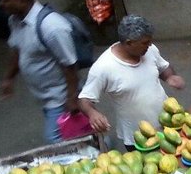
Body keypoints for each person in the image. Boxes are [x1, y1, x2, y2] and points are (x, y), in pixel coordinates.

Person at [78, 15, 184, 149]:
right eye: (145, 42)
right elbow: (84, 100)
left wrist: (170, 76)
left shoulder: (149, 50)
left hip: (169, 123)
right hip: (138, 136)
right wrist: (92, 113)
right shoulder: (103, 67)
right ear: (129, 43)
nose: (150, 45)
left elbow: (164, 67)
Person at [0, 0, 81, 144]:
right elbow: (17, 50)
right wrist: (9, 78)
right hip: (44, 95)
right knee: (74, 131)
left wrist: (72, 98)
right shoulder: (14, 20)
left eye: (6, 0)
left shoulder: (52, 27)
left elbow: (70, 65)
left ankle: (101, 151)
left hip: (59, 96)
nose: (1, 4)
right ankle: (100, 146)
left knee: (55, 138)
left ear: (21, 0)